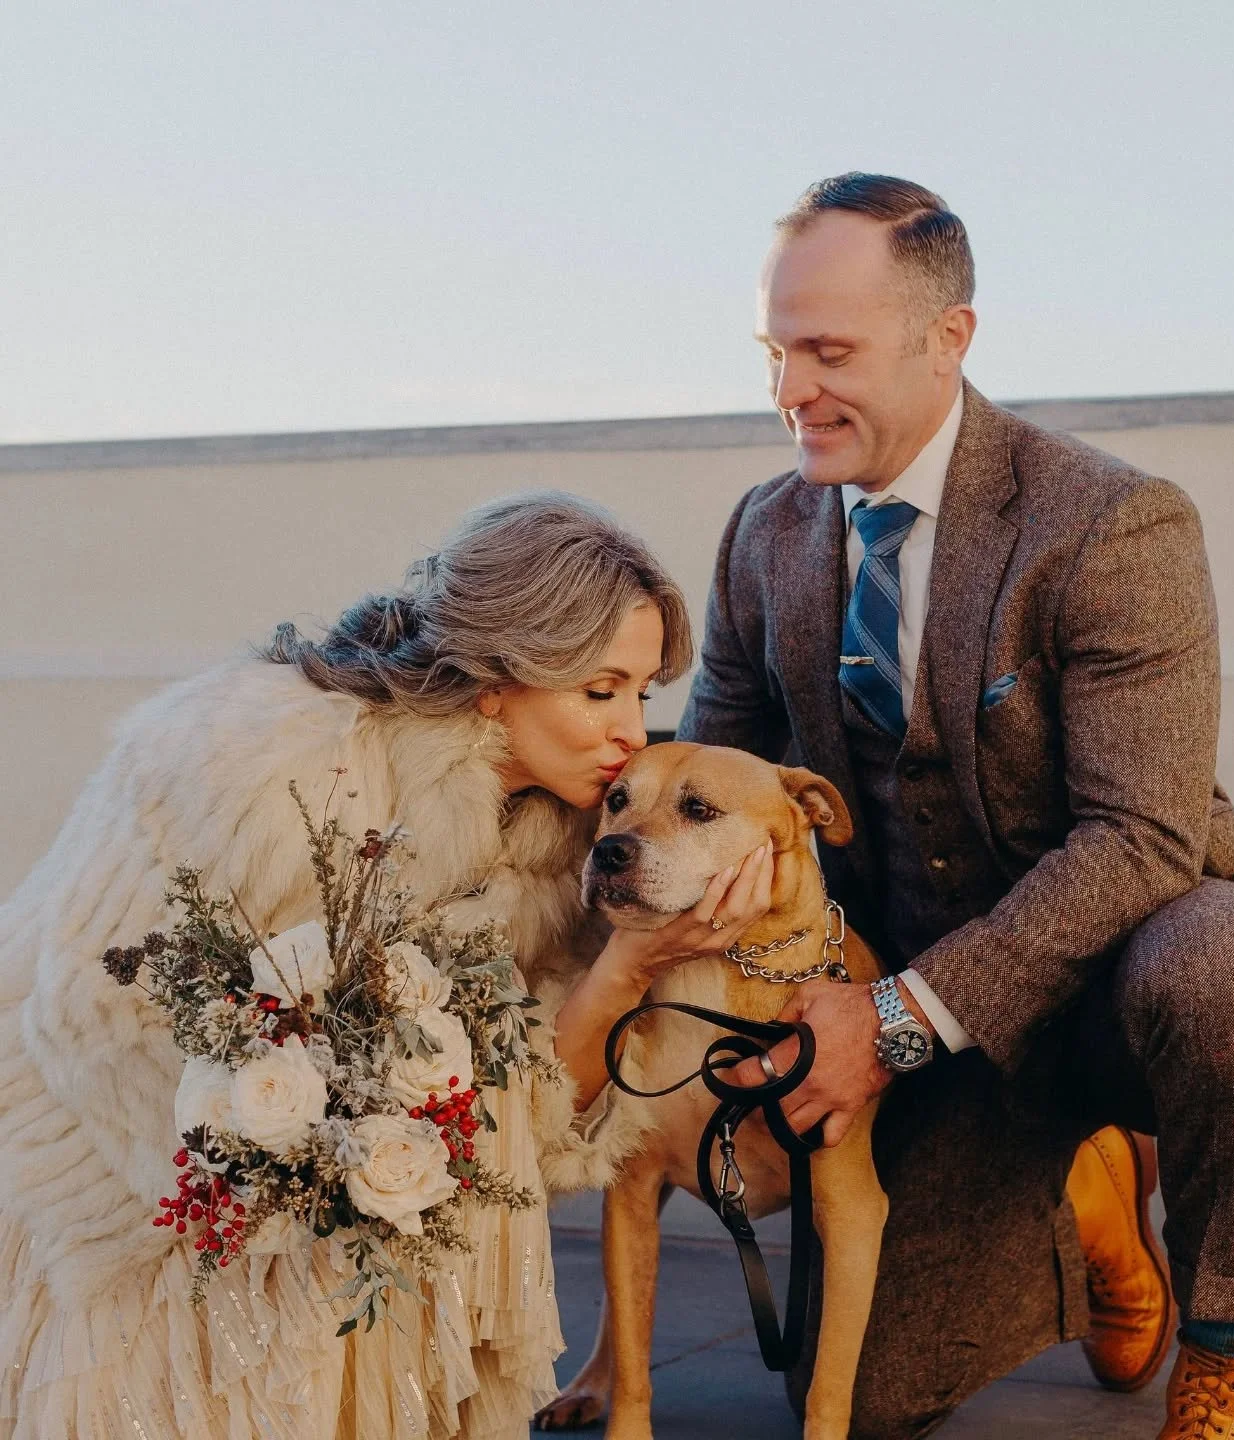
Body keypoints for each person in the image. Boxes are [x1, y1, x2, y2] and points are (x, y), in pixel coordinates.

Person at [682, 174, 1234, 1439]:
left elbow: (1144, 837)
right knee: (863, 1402)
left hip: (1114, 976)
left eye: (829, 352)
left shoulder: (1113, 522)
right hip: (904, 985)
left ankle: (1224, 1346)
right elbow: (711, 774)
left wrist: (893, 1022)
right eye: (773, 350)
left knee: (1228, 956)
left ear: (947, 337)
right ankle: (1100, 1195)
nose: (789, 388)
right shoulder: (762, 534)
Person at [0, 492, 776, 1440]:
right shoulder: (258, 759)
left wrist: (630, 961)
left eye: (643, 695)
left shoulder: (575, 841)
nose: (630, 732)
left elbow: (539, 1111)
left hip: (367, 1231)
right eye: (599, 690)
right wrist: (285, 1178)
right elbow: (95, 1011)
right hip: (127, 1184)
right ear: (496, 675)